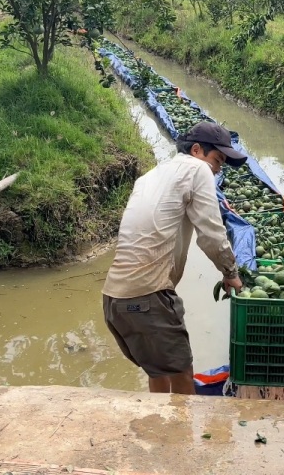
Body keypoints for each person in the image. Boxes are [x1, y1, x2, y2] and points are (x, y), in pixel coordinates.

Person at [102, 121, 246, 395]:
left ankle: (162, 431)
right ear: (196, 150)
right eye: (217, 160)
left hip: (114, 300)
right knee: (181, 372)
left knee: (158, 369)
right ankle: (182, 437)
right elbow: (212, 232)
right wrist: (231, 273)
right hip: (147, 296)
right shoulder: (197, 169)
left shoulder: (150, 176)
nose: (218, 170)